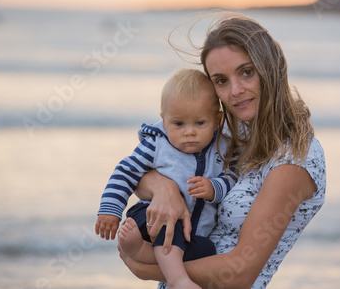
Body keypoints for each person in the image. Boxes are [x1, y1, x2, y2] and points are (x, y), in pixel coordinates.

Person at [119, 12, 326, 289]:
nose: (235, 90)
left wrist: (150, 268)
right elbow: (148, 159)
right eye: (221, 80)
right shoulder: (226, 132)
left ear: (271, 68)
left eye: (246, 72)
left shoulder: (295, 160)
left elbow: (240, 272)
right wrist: (163, 188)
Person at [95, 68, 236, 289]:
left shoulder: (222, 148)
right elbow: (126, 171)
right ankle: (177, 279)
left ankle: (144, 252)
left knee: (207, 249)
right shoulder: (157, 145)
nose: (189, 132)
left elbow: (232, 177)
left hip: (190, 236)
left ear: (217, 120)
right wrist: (110, 210)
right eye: (178, 124)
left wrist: (214, 187)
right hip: (150, 218)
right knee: (169, 223)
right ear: (163, 119)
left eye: (200, 123)